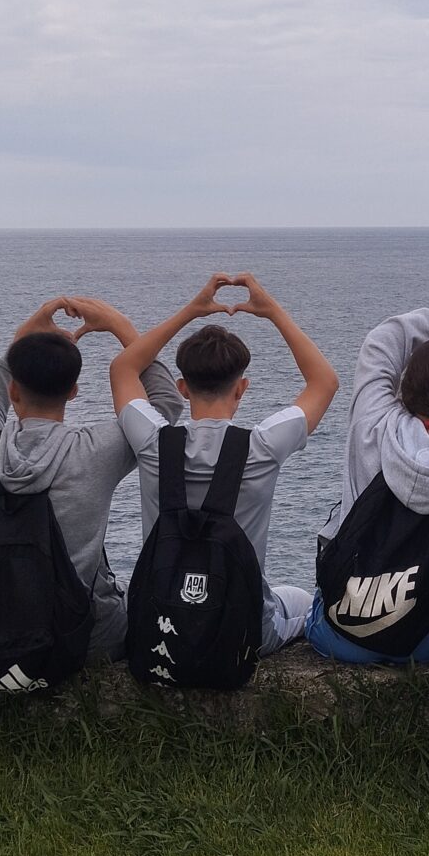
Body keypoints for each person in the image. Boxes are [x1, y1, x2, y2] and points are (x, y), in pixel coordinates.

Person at [110, 272, 340, 655]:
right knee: (301, 598)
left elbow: (123, 370)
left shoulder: (153, 443)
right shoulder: (262, 447)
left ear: (182, 388)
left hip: (159, 626)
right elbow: (324, 382)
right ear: (242, 387)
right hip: (241, 634)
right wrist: (272, 312)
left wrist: (192, 311)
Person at [0, 293, 185, 662]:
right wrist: (122, 328)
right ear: (74, 392)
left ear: (14, 389)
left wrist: (22, 337)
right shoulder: (95, 450)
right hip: (86, 637)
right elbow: (164, 407)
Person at [306, 297, 429, 664]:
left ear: (406, 386)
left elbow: (382, 340)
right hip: (427, 639)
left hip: (341, 633)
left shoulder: (372, 422)